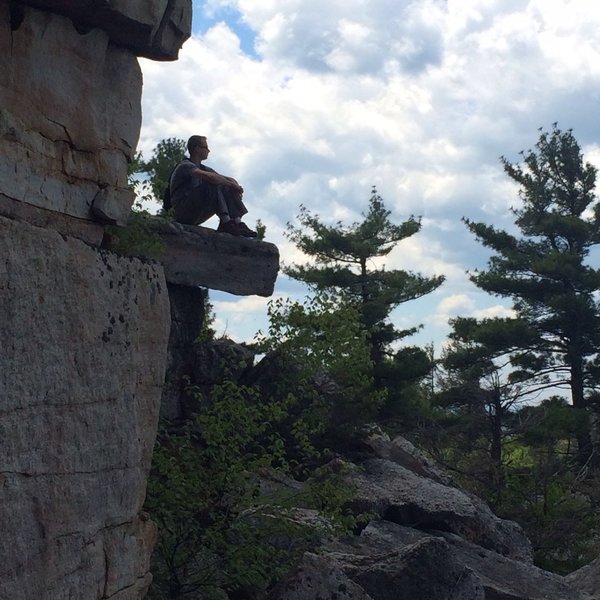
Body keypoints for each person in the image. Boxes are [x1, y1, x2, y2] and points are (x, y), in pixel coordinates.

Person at [168, 135, 257, 237]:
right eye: (206, 147)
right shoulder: (184, 165)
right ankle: (226, 222)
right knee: (212, 182)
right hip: (182, 212)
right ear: (197, 149)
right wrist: (230, 184)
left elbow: (227, 179)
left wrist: (234, 186)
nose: (208, 151)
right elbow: (210, 177)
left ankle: (237, 222)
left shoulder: (205, 168)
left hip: (196, 211)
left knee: (223, 184)